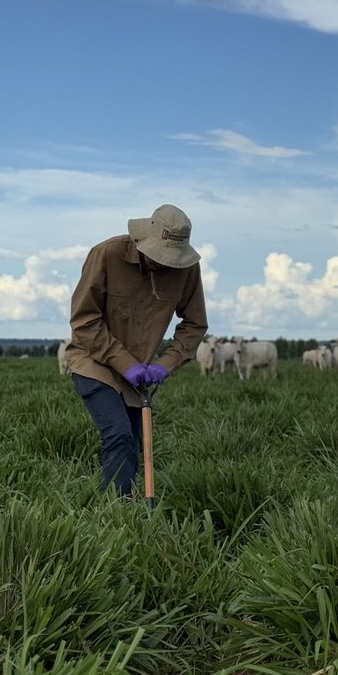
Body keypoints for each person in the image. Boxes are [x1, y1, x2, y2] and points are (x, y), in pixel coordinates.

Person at [65, 204, 208, 496]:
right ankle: (114, 514)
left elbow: (195, 324)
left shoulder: (187, 270)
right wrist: (124, 363)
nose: (165, 264)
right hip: (92, 362)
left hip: (140, 373)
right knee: (117, 433)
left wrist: (165, 364)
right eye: (159, 256)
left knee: (134, 441)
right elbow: (84, 320)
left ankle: (128, 510)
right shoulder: (106, 254)